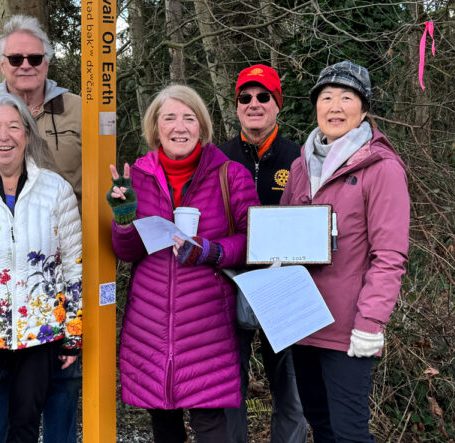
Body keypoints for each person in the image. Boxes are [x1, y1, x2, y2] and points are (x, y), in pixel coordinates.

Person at [0, 15, 82, 443]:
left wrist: (73, 328)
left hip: (50, 293)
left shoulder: (80, 110)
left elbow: (105, 180)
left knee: (52, 393)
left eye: (35, 56)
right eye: (15, 57)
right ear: (2, 63)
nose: (26, 64)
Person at [108, 85, 260, 443]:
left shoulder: (231, 174)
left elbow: (254, 241)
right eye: (169, 118)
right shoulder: (138, 178)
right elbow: (127, 252)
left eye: (189, 118)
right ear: (155, 127)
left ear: (202, 127)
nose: (179, 126)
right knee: (164, 426)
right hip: (150, 326)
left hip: (208, 325)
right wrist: (124, 218)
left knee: (211, 426)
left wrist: (209, 250)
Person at [279, 61, 410, 443]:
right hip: (303, 323)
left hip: (347, 330)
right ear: (316, 107)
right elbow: (284, 240)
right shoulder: (301, 167)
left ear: (364, 109)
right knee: (320, 427)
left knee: (350, 434)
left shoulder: (380, 167)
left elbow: (390, 255)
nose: (335, 106)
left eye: (347, 97)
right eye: (327, 97)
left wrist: (370, 323)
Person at [218, 65, 306, 443]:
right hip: (228, 283)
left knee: (291, 389)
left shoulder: (299, 158)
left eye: (263, 96)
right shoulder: (216, 158)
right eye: (245, 98)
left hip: (285, 286)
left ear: (277, 105)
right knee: (227, 386)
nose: (254, 104)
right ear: (236, 107)